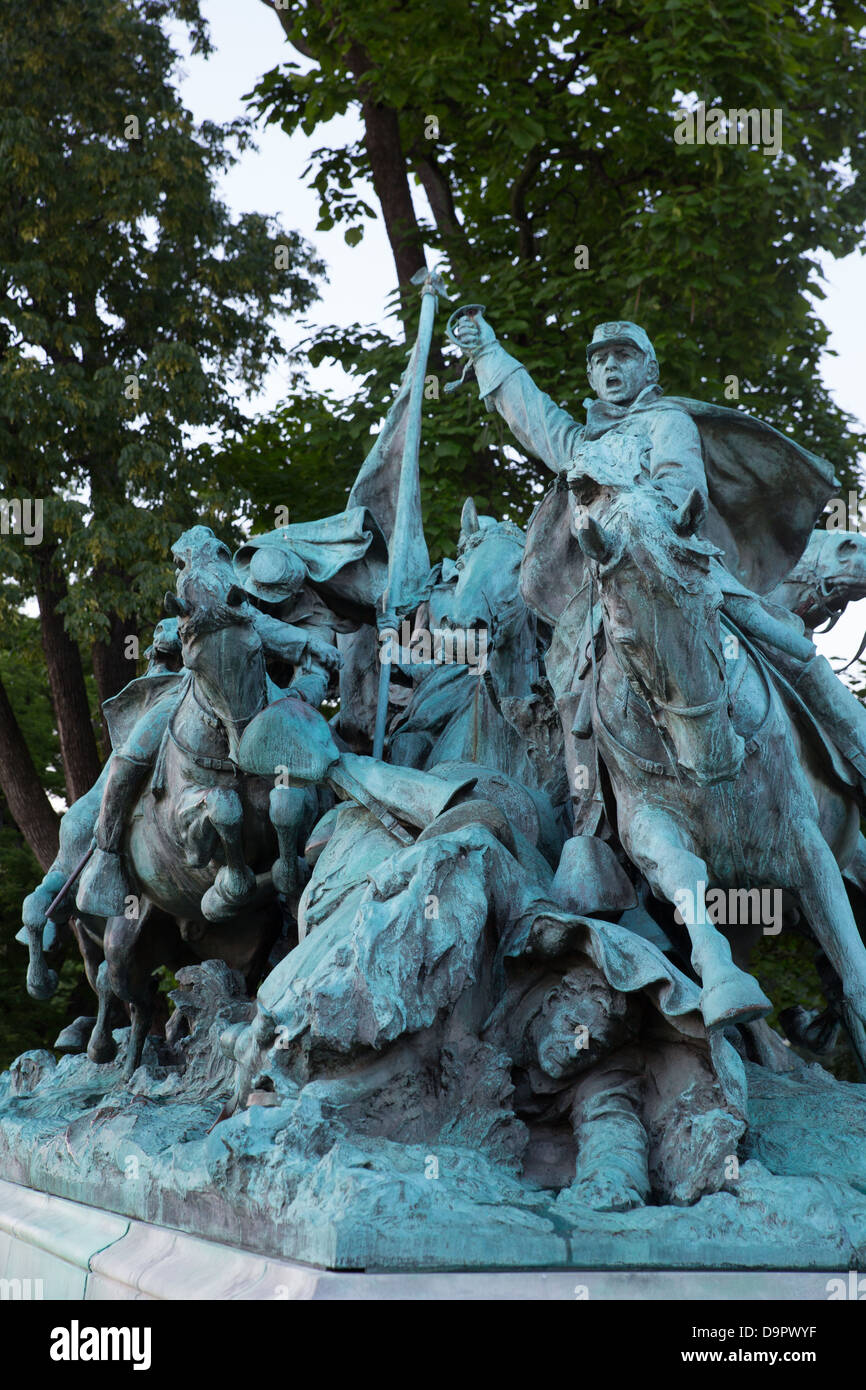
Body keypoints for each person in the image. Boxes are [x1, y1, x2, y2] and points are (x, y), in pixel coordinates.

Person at [453, 313, 866, 796]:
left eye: (624, 357)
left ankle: (856, 747)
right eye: (601, 360)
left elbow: (681, 484)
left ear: (649, 371)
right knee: (563, 683)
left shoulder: (668, 420)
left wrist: (637, 511)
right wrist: (486, 351)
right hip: (602, 596)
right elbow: (532, 414)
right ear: (590, 376)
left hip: (678, 573)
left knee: (787, 648)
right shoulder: (582, 443)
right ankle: (582, 805)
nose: (610, 367)